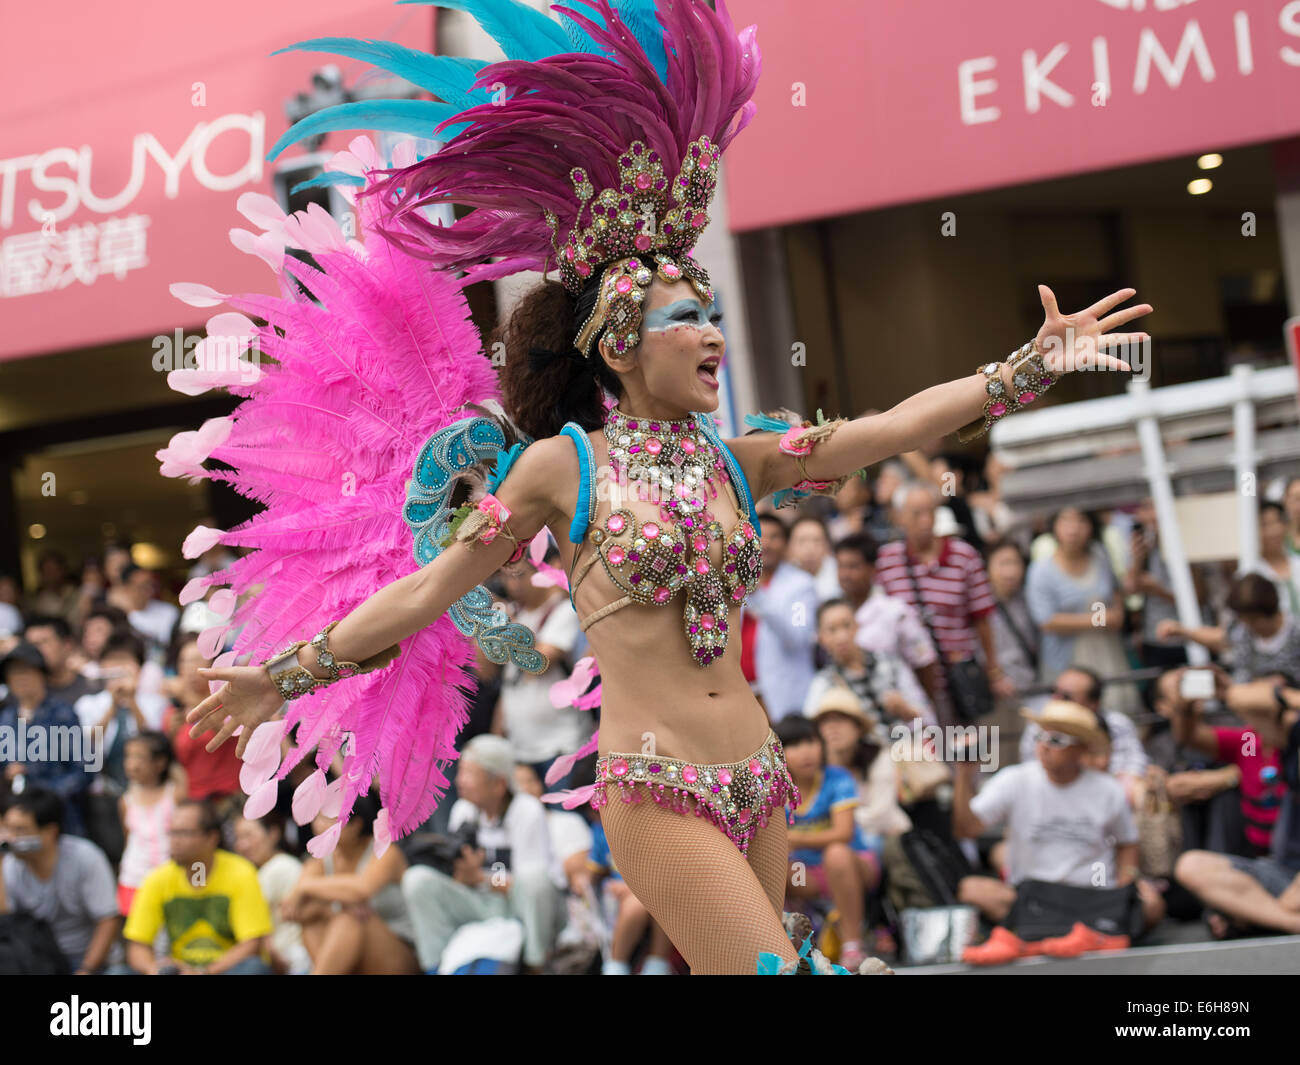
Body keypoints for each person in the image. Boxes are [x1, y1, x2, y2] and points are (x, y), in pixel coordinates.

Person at [176, 0, 1151, 974]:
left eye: (715, 311)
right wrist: (286, 674)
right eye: (688, 316)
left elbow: (888, 429)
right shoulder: (566, 467)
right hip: (653, 782)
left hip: (761, 776)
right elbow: (428, 589)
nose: (715, 333)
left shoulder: (743, 458)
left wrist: (1022, 367)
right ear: (618, 345)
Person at [954, 701, 1162, 963]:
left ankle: (1034, 939)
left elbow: (1127, 843)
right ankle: (1088, 936)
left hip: (1092, 893)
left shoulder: (1106, 789)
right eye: (1039, 736)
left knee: (1152, 904)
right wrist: (963, 775)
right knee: (972, 889)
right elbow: (967, 829)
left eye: (1056, 739)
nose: (1043, 745)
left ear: (1081, 749)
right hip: (1034, 898)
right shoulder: (1015, 779)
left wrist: (1124, 884)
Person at [402, 735, 564, 973]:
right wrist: (462, 875)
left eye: (469, 773)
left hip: (524, 907)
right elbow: (461, 876)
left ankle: (535, 963)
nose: (459, 781)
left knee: (534, 878)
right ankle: (437, 966)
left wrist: (480, 878)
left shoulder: (526, 811)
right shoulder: (463, 810)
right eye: (460, 772)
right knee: (417, 880)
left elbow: (529, 884)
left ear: (498, 784)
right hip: (483, 902)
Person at [1173, 677, 1300, 935]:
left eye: (1264, 702)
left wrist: (1229, 690)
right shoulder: (1251, 741)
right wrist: (1185, 707)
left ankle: (1257, 917)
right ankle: (1287, 922)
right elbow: (1191, 737)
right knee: (1192, 865)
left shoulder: (1293, 742)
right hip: (1272, 864)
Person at [875, 482, 1005, 725]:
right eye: (916, 514)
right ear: (899, 517)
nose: (925, 521)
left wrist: (993, 669)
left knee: (966, 751)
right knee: (924, 754)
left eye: (930, 512)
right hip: (911, 679)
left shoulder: (963, 556)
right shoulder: (887, 559)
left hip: (957, 673)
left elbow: (982, 617)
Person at [777, 713, 881, 973]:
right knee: (772, 867)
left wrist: (797, 839)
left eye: (811, 742)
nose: (806, 752)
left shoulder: (838, 778)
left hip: (855, 867)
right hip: (808, 876)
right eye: (794, 745)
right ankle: (786, 948)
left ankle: (852, 944)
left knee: (836, 853)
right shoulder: (778, 790)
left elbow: (843, 833)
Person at [122, 799, 272, 974]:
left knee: (254, 968)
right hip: (179, 970)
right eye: (172, 833)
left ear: (212, 838)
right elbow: (137, 946)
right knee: (118, 973)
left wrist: (203, 972)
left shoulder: (241, 872)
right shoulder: (157, 878)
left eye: (183, 833)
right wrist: (155, 970)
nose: (174, 841)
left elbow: (252, 944)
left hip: (223, 970)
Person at [286, 792, 419, 975]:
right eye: (317, 817)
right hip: (351, 957)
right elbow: (292, 911)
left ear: (356, 825)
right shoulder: (320, 861)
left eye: (327, 819)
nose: (318, 825)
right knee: (312, 923)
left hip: (399, 952)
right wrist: (323, 910)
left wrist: (305, 887)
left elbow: (362, 889)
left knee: (350, 919)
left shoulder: (385, 852)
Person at [1026, 506, 1138, 717]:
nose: (1074, 529)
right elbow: (1047, 621)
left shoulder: (1100, 554)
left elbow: (1116, 603)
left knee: (1115, 708)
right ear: (1054, 526)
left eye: (1081, 521)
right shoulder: (1041, 571)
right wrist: (1098, 620)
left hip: (1107, 652)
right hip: (1067, 658)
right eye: (1066, 521)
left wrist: (1111, 615)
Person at [0, 789, 121, 973]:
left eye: (20, 830)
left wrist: (86, 970)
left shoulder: (86, 857)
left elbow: (108, 920)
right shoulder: (10, 864)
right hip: (40, 960)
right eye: (8, 828)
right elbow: (7, 922)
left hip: (90, 960)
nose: (11, 838)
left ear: (50, 832)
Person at [494, 559, 587, 788]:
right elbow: (499, 677)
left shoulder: (563, 610)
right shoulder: (515, 612)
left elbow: (538, 663)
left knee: (565, 821)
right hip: (520, 745)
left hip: (560, 744)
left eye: (519, 575)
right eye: (506, 577)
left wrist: (508, 625)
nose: (513, 585)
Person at [1019, 667, 1148, 806]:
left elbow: (1135, 763)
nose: (1056, 699)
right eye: (1053, 692)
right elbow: (1030, 766)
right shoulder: (1037, 727)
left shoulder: (1118, 724)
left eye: (1066, 696)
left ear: (1094, 704)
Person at [835, 534, 940, 703]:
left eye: (853, 566)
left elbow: (924, 663)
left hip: (907, 713)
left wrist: (923, 706)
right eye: (840, 566)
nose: (845, 574)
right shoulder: (834, 613)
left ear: (872, 569)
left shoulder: (895, 611)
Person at [0, 643, 91, 838]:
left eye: (27, 672)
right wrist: (8, 772)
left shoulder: (63, 714)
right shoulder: (6, 718)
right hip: (16, 819)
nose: (21, 679)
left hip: (58, 819)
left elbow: (85, 769)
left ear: (41, 674)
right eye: (15, 674)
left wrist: (48, 797)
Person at [805, 598, 929, 727]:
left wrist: (908, 711)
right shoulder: (824, 685)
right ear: (820, 638)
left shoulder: (890, 663)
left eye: (847, 625)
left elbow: (924, 711)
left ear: (857, 625)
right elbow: (812, 725)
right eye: (832, 630)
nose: (841, 636)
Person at [1159, 573, 1300, 684]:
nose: (1247, 624)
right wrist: (1181, 631)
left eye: (1253, 619)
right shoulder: (1240, 629)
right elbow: (1218, 637)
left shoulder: (1296, 632)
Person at [748, 511, 820, 720]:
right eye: (759, 536)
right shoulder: (736, 582)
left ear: (786, 544)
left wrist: (759, 596)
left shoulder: (801, 586)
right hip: (742, 691)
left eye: (774, 537)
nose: (766, 544)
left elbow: (798, 637)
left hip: (780, 695)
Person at [117, 731, 185, 917]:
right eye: (128, 756)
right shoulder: (126, 800)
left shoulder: (175, 795)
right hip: (134, 878)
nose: (132, 764)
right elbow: (128, 837)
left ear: (160, 763)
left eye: (139, 757)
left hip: (170, 877)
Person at [233, 812, 310, 974]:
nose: (242, 845)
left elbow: (259, 930)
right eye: (238, 838)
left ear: (273, 834)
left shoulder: (276, 868)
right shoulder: (284, 864)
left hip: (289, 961)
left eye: (249, 835)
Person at [22, 615, 99, 706]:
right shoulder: (22, 691)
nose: (37, 650)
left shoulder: (92, 688)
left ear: (67, 645)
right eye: (32, 645)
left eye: (44, 642)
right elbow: (18, 719)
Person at [1247, 501, 1300, 617]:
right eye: (1264, 525)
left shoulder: (1297, 562)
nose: (1273, 531)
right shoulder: (1251, 573)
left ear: (1285, 525)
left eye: (1276, 522)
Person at [117, 563, 179, 658]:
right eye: (142, 587)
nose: (148, 591)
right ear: (127, 588)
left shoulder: (169, 612)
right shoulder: (119, 617)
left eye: (151, 585)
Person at [788, 515, 841, 603]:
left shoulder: (841, 573)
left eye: (817, 540)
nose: (810, 547)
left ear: (827, 545)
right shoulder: (781, 576)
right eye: (802, 541)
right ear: (789, 546)